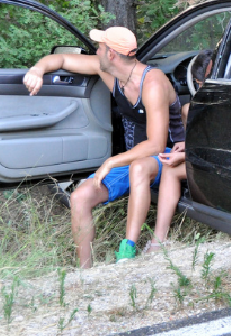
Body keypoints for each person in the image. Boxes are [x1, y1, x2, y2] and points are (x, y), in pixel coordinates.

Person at [23, 27, 185, 268]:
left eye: (99, 47)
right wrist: (37, 70)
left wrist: (111, 161)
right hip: (133, 159)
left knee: (139, 167)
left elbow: (156, 144)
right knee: (80, 197)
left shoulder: (152, 83)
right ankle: (86, 273)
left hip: (167, 157)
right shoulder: (110, 73)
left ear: (111, 55)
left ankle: (127, 251)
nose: (96, 51)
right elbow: (62, 59)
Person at [143, 50, 213, 253]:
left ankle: (158, 240)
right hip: (213, 162)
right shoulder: (189, 110)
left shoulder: (195, 109)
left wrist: (183, 155)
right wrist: (188, 146)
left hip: (224, 168)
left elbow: (222, 153)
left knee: (171, 169)